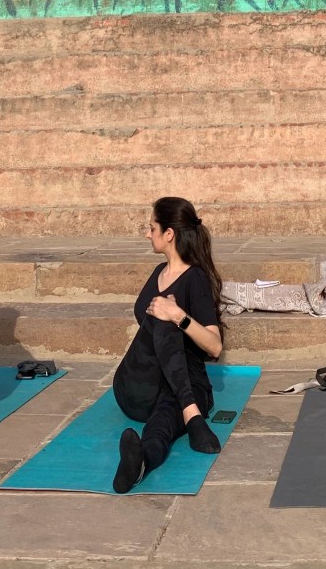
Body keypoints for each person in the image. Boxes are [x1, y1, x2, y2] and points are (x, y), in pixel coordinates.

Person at [111, 197, 225, 493]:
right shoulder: (156, 275)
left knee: (163, 422)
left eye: (152, 228)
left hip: (179, 387)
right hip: (136, 386)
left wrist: (179, 317)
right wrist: (167, 315)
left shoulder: (195, 279)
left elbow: (214, 347)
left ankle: (141, 463)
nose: (147, 234)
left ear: (169, 234)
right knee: (160, 317)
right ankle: (193, 417)